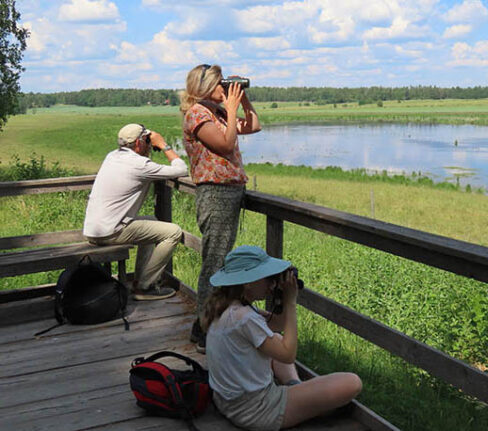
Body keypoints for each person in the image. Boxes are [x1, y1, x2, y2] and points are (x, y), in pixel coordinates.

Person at [202, 245, 362, 430]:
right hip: (257, 410)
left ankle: (295, 386)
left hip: (228, 402)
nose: (271, 284)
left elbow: (277, 324)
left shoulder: (227, 306)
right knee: (352, 383)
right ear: (248, 282)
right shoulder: (244, 318)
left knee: (275, 337)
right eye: (268, 278)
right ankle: (299, 396)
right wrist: (291, 302)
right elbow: (288, 354)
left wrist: (280, 297)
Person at [180, 64, 261, 351]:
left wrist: (242, 99)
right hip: (215, 195)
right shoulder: (198, 114)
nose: (223, 89)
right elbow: (226, 146)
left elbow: (254, 125)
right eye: (219, 84)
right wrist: (230, 106)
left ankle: (201, 327)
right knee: (214, 264)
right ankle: (204, 332)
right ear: (203, 87)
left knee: (218, 260)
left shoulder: (216, 112)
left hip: (227, 194)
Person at [83, 123, 187, 300]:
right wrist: (163, 145)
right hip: (110, 232)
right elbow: (182, 169)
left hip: (93, 230)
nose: (149, 144)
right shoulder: (140, 165)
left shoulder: (112, 156)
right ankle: (145, 288)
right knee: (173, 232)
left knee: (150, 221)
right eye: (147, 140)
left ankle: (140, 280)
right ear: (138, 143)